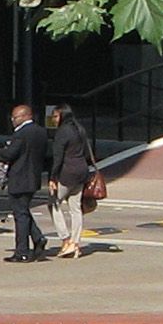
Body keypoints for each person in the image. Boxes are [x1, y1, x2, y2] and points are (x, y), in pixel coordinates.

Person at [0, 102, 50, 261]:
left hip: (19, 179)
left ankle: (22, 251)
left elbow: (10, 154)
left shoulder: (21, 134)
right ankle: (38, 238)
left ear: (26, 116)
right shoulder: (41, 132)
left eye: (16, 117)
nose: (13, 120)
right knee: (23, 211)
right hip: (33, 177)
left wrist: (1, 153)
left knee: (20, 215)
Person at [46, 101, 95, 259]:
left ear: (61, 115)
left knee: (53, 203)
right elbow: (87, 153)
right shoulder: (79, 129)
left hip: (67, 173)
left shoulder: (62, 132)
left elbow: (58, 157)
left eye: (55, 116)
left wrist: (53, 177)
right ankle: (75, 242)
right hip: (81, 171)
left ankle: (65, 239)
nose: (53, 119)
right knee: (75, 208)